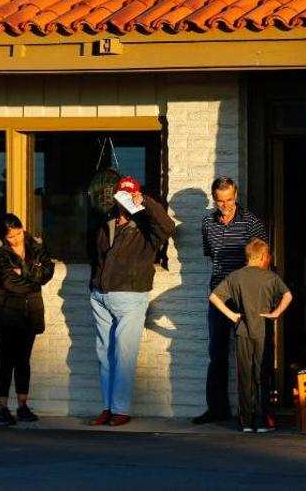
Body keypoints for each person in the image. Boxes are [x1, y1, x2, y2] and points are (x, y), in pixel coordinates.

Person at [89, 176, 175, 426]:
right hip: (100, 295)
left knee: (125, 354)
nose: (125, 199)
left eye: (130, 194)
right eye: (122, 194)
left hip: (131, 295)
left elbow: (169, 228)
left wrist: (145, 202)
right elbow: (97, 257)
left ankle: (121, 409)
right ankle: (107, 406)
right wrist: (94, 286)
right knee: (105, 353)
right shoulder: (107, 223)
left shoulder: (147, 226)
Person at [194, 176, 267, 425]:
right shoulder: (207, 223)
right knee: (217, 352)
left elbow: (262, 259)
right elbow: (210, 255)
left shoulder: (251, 222)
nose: (225, 205)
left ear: (236, 196)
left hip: (246, 293)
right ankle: (217, 409)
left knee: (251, 353)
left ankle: (256, 411)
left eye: (229, 200)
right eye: (220, 201)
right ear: (213, 199)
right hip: (219, 295)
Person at [209, 238, 292, 432]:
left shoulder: (236, 276)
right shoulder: (271, 277)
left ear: (247, 256)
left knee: (244, 376)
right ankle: (264, 421)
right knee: (262, 374)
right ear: (264, 256)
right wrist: (276, 313)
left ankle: (246, 422)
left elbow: (213, 296)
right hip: (263, 329)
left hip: (243, 331)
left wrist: (232, 315)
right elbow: (288, 295)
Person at [0, 213, 55, 426]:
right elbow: (8, 282)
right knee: (6, 360)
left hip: (29, 310)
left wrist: (23, 271)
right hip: (5, 312)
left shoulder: (35, 246)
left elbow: (47, 273)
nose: (16, 239)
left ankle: (23, 405)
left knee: (23, 360)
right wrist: (32, 276)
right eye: (11, 237)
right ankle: (3, 407)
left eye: (18, 234)